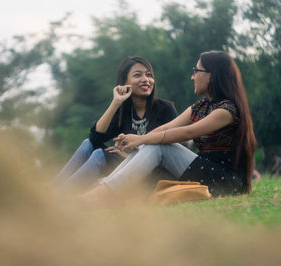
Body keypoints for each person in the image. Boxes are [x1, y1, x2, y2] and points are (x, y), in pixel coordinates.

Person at [81, 50, 257, 203]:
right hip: (205, 171)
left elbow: (186, 133)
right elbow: (166, 128)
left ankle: (103, 193)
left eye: (196, 71)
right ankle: (103, 189)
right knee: (151, 143)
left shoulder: (227, 110)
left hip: (226, 182)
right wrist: (137, 142)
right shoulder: (201, 106)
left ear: (213, 75)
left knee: (157, 146)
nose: (192, 76)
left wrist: (140, 139)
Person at [52, 56, 177, 194]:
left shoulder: (165, 109)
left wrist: (126, 156)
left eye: (149, 75)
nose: (145, 79)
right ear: (124, 82)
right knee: (88, 143)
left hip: (153, 174)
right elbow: (95, 139)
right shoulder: (124, 111)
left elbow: (170, 152)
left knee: (100, 155)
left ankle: (59, 198)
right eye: (137, 75)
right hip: (126, 166)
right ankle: (50, 192)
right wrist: (116, 102)